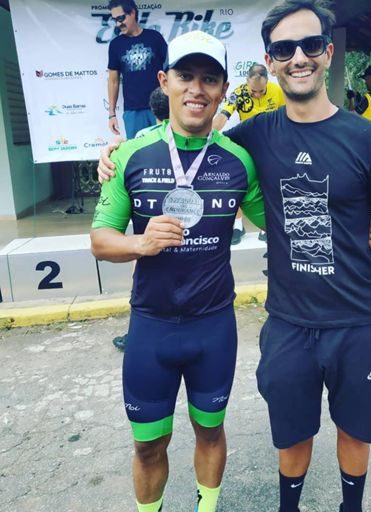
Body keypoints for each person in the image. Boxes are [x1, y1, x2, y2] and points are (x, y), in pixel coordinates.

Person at [97, 2, 371, 510]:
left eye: (310, 45)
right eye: (285, 49)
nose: (299, 57)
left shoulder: (365, 138)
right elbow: (195, 140)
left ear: (328, 53)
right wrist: (116, 154)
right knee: (289, 432)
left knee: (354, 430)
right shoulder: (253, 136)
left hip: (354, 318)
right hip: (283, 320)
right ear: (271, 60)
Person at [91, 31, 267, 512]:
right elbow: (100, 240)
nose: (196, 88)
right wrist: (139, 243)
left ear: (223, 89)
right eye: (185, 75)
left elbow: (279, 221)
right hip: (152, 328)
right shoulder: (129, 155)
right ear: (164, 81)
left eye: (209, 79)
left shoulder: (239, 161)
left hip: (214, 327)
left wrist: (351, 224)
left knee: (210, 432)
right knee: (148, 446)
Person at [111, 87, 171, 352]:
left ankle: (136, 331)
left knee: (141, 277)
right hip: (178, 218)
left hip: (149, 223)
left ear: (153, 111)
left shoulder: (141, 137)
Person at [213, 63, 286, 245]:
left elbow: (287, 117)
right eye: (254, 91)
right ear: (246, 82)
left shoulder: (277, 91)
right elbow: (223, 116)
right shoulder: (239, 93)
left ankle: (267, 226)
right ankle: (238, 226)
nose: (257, 94)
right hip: (248, 142)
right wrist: (207, 134)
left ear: (267, 82)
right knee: (238, 183)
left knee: (271, 185)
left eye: (261, 91)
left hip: (272, 145)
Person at [107, 0, 167, 139]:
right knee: (137, 151)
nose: (118, 24)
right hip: (133, 112)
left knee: (166, 148)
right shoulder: (115, 45)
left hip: (161, 107)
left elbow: (170, 71)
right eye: (115, 20)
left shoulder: (155, 37)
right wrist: (111, 114)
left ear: (133, 13)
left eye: (121, 18)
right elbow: (113, 81)